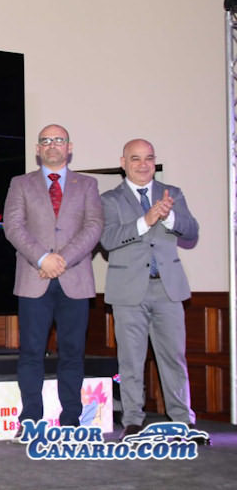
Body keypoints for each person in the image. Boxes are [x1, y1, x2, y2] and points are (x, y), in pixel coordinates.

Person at [3, 124, 103, 437]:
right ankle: (30, 421)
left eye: (58, 140)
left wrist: (62, 260)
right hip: (34, 278)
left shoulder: (88, 184)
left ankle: (71, 420)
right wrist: (43, 258)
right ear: (37, 149)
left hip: (76, 280)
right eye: (46, 140)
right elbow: (13, 227)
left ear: (69, 147)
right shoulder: (20, 183)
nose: (52, 145)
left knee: (72, 354)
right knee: (31, 353)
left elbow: (94, 226)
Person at [100, 139, 201, 442]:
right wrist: (145, 221)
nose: (143, 165)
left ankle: (182, 421)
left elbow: (192, 230)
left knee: (174, 358)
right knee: (131, 360)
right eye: (135, 158)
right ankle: (133, 421)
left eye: (148, 158)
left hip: (168, 289)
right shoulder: (109, 199)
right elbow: (107, 239)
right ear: (123, 163)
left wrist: (169, 216)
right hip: (128, 291)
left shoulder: (173, 194)